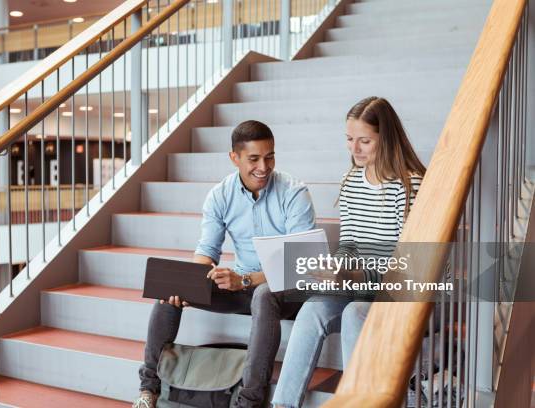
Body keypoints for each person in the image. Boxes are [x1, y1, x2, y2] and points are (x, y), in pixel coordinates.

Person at [134, 120, 316, 408]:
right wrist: (192, 280)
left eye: (269, 157)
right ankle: (149, 391)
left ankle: (249, 401)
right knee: (168, 294)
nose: (264, 166)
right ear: (234, 158)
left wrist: (245, 280)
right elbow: (207, 250)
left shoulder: (293, 192)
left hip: (287, 289)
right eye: (254, 159)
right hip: (243, 286)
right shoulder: (220, 195)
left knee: (264, 294)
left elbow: (300, 263)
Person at [271, 96, 426, 408]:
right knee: (312, 309)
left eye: (364, 141)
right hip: (358, 283)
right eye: (349, 140)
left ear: (387, 138)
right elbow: (349, 243)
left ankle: (359, 401)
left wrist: (355, 274)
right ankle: (283, 405)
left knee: (355, 312)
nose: (354, 149)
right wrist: (334, 268)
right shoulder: (352, 181)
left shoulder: (409, 186)